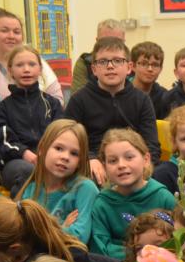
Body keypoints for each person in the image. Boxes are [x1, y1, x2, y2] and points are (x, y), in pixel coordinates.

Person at [64, 36, 161, 186]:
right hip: (95, 164)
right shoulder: (79, 100)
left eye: (117, 61)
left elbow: (151, 144)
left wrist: (143, 166)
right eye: (103, 61)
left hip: (132, 161)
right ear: (94, 69)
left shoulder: (141, 100)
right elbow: (68, 140)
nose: (110, 66)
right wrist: (89, 158)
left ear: (129, 68)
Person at [90, 129, 177, 261]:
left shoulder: (163, 196)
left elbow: (178, 237)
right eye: (113, 161)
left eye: (129, 157)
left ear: (146, 159)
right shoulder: (102, 204)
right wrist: (134, 256)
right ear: (105, 166)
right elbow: (99, 247)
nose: (121, 165)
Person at [0, 45, 65, 195]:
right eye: (19, 65)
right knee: (28, 171)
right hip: (16, 162)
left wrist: (48, 155)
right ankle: (26, 215)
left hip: (50, 157)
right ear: (10, 71)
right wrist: (25, 153)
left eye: (31, 64)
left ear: (40, 69)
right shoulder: (3, 108)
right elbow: (0, 141)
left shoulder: (52, 103)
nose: (26, 69)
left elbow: (62, 134)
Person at [18, 119, 99, 244]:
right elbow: (20, 233)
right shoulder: (31, 189)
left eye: (74, 153)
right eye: (59, 148)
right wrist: (62, 228)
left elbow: (79, 237)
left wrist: (40, 231)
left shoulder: (85, 188)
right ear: (42, 149)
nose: (65, 157)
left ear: (80, 162)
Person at [0, 8, 64, 104]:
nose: (11, 36)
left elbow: (58, 100)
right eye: (4, 31)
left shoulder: (36, 60)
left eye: (16, 32)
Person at [71, 18, 124, 94]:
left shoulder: (133, 62)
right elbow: (78, 99)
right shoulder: (85, 63)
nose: (111, 46)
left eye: (117, 42)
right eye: (105, 41)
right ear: (96, 41)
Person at [130, 41, 168, 116]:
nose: (150, 69)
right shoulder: (121, 91)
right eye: (144, 64)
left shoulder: (165, 97)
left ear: (161, 69)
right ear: (133, 66)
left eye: (155, 65)